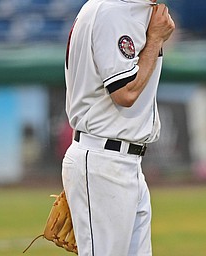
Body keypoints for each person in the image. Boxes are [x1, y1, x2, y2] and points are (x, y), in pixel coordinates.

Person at [62, 0, 175, 255]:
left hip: (119, 161)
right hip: (103, 161)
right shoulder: (113, 11)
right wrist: (155, 39)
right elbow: (124, 92)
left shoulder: (120, 8)